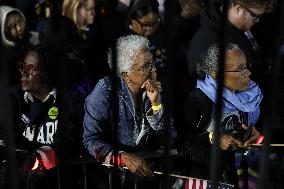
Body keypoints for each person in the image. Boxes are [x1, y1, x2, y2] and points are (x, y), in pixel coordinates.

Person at [83, 35, 176, 188]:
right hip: (113, 180)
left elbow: (169, 138)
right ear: (126, 74)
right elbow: (90, 141)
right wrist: (122, 157)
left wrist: (156, 105)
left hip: (149, 178)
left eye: (152, 62)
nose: (153, 69)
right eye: (146, 66)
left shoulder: (156, 88)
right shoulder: (105, 91)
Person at [176, 43, 263, 188]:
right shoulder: (197, 101)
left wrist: (254, 135)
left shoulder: (252, 96)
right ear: (216, 75)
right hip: (207, 176)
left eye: (246, 66)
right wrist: (212, 138)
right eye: (240, 69)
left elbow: (256, 131)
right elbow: (182, 143)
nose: (248, 73)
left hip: (239, 171)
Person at [0, 45, 84, 189]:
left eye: (31, 68)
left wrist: (38, 157)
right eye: (23, 66)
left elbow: (70, 142)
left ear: (47, 72)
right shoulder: (13, 97)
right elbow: (5, 136)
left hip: (57, 179)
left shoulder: (69, 100)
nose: (24, 73)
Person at [186, 0, 270, 91]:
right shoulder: (209, 45)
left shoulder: (240, 26)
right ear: (238, 9)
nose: (257, 21)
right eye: (255, 16)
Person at [0, 5, 39, 86]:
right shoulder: (6, 56)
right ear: (4, 31)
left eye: (20, 21)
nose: (19, 28)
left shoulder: (36, 39)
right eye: (11, 26)